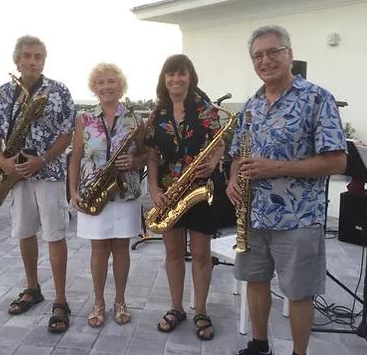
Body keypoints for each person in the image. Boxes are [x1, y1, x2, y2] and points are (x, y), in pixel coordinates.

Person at [226, 25, 347, 355]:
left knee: (299, 292)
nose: (265, 61)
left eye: (272, 52)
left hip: (298, 218)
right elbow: (238, 153)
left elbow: (337, 162)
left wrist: (275, 167)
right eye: (257, 56)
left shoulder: (317, 99)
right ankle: (259, 344)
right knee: (256, 280)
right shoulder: (251, 104)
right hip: (253, 214)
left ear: (289, 55)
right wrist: (233, 180)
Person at [0, 35, 76, 333]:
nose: (32, 61)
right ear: (17, 60)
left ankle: (60, 300)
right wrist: (2, 162)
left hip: (47, 173)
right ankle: (32, 288)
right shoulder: (4, 93)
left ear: (43, 61)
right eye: (27, 56)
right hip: (15, 174)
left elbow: (67, 135)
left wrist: (44, 159)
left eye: (37, 56)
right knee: (24, 232)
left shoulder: (59, 91)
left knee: (54, 234)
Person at [145, 54, 225, 341]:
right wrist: (154, 189)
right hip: (169, 191)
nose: (175, 79)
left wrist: (215, 161)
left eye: (181, 74)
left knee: (202, 254)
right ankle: (176, 308)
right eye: (170, 74)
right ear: (163, 79)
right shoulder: (157, 114)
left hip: (201, 189)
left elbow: (220, 142)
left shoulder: (206, 109)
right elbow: (152, 156)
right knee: (174, 253)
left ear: (190, 77)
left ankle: (200, 310)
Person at [69, 63, 146, 328]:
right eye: (100, 82)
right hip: (94, 191)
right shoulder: (84, 119)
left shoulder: (135, 120)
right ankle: (99, 302)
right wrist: (73, 190)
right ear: (94, 88)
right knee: (99, 249)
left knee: (122, 248)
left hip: (125, 192)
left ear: (120, 85)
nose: (106, 86)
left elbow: (147, 154)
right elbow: (76, 156)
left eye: (111, 81)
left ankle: (120, 301)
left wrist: (134, 161)